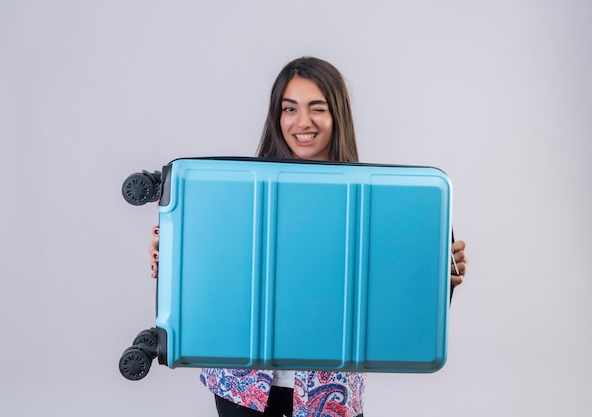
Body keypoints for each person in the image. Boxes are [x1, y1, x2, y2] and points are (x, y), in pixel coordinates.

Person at [148, 57, 468, 417]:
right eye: (290, 108)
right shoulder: (238, 190)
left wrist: (440, 277)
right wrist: (172, 253)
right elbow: (210, 272)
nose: (303, 122)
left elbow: (394, 295)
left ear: (337, 116)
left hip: (329, 394)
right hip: (241, 387)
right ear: (277, 116)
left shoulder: (373, 201)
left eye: (318, 108)